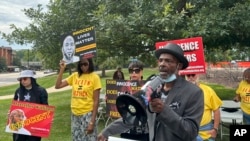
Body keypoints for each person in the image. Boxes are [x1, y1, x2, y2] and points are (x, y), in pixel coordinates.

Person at [97, 42, 204, 141]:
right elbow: (134, 115)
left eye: (168, 61)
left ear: (179, 65)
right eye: (161, 60)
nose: (162, 64)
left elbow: (191, 132)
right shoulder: (153, 87)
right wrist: (107, 131)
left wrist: (163, 111)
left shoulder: (193, 92)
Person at [55, 56, 102, 141]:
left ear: (90, 63)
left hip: (87, 114)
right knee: (76, 139)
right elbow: (58, 86)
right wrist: (62, 69)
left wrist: (92, 121)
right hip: (75, 114)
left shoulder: (95, 77)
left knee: (89, 138)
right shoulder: (75, 76)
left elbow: (96, 101)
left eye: (85, 64)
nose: (83, 66)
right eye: (81, 65)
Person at [12, 70, 48, 141]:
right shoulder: (18, 91)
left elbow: (45, 107)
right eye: (21, 79)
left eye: (25, 78)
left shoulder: (41, 91)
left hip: (34, 124)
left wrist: (47, 117)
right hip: (19, 125)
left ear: (31, 78)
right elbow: (14, 105)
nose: (22, 81)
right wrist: (11, 113)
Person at [186, 73, 222, 141]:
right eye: (188, 75)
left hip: (205, 131)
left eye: (193, 75)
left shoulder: (208, 90)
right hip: (188, 130)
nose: (190, 77)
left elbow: (216, 110)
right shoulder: (181, 91)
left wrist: (215, 129)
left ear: (198, 75)